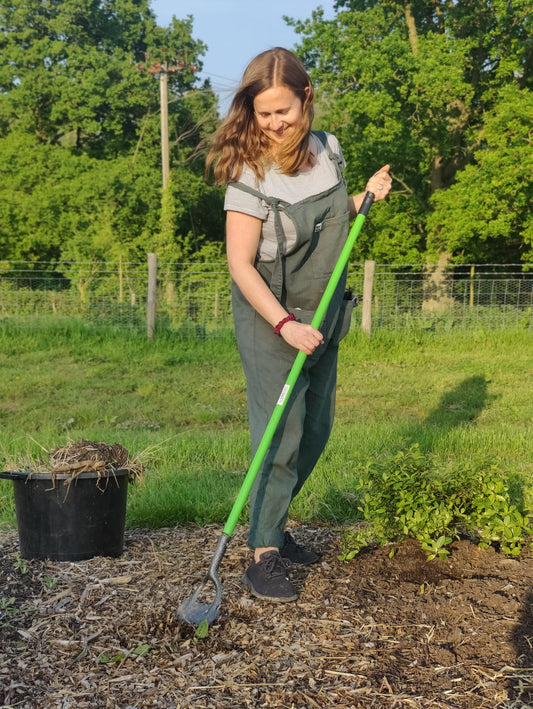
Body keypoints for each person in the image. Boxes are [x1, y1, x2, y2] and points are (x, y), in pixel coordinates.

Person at [206, 47, 391, 603]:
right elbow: (241, 264)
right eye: (263, 114)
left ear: (305, 99)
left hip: (326, 307)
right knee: (279, 435)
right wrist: (285, 324)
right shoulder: (248, 172)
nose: (273, 123)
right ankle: (263, 553)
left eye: (282, 111)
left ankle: (275, 528)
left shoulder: (327, 149)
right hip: (274, 317)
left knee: (314, 431)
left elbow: (335, 221)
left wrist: (366, 197)